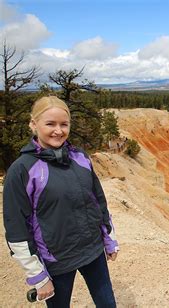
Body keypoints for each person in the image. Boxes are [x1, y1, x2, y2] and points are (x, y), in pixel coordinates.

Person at [2, 96, 119, 307]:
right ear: (33, 124)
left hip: (92, 250)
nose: (58, 131)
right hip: (57, 259)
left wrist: (109, 238)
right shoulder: (22, 170)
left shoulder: (80, 158)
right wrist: (38, 276)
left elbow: (98, 201)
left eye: (64, 124)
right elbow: (16, 228)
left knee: (107, 304)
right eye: (50, 124)